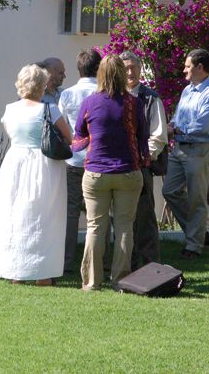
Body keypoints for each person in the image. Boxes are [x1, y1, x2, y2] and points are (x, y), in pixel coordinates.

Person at [72, 55, 150, 291]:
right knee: (125, 227)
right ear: (122, 74)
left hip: (96, 173)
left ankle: (92, 282)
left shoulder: (89, 102)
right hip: (128, 172)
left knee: (95, 227)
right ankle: (120, 280)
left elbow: (79, 136)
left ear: (100, 74)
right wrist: (144, 161)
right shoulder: (134, 103)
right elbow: (142, 137)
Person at [0, 64, 71, 285]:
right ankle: (43, 273)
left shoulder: (10, 110)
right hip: (44, 165)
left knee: (15, 216)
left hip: (15, 162)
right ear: (43, 86)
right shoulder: (50, 109)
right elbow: (69, 137)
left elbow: (12, 133)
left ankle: (17, 271)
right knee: (45, 217)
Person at [162, 48, 209, 259]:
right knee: (169, 191)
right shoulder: (187, 90)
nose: (184, 70)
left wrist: (175, 130)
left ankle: (194, 246)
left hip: (199, 149)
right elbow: (178, 116)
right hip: (179, 148)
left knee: (197, 198)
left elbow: (202, 126)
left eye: (187, 66)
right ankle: (196, 232)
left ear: (200, 67)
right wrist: (171, 125)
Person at [119, 51, 168, 270]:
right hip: (118, 169)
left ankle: (151, 269)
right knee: (122, 221)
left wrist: (141, 159)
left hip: (141, 167)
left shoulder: (150, 98)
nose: (130, 72)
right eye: (126, 68)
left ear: (140, 69)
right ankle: (125, 268)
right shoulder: (113, 96)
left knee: (145, 220)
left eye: (134, 67)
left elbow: (158, 136)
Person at [58, 48, 102, 272]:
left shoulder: (67, 94)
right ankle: (101, 261)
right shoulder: (104, 92)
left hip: (74, 159)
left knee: (71, 212)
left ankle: (66, 261)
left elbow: (62, 126)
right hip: (99, 159)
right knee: (101, 213)